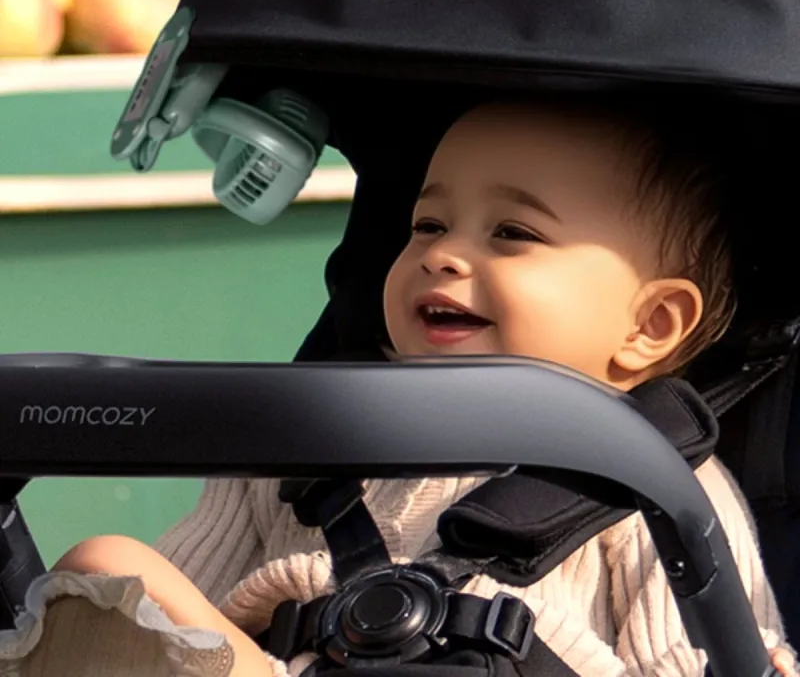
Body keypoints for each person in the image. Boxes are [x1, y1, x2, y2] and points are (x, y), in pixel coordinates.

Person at [0, 97, 795, 676]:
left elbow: (690, 655)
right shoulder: (298, 447)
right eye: (427, 225)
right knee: (111, 570)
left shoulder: (651, 480)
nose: (443, 255)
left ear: (651, 324)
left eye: (512, 233)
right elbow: (180, 624)